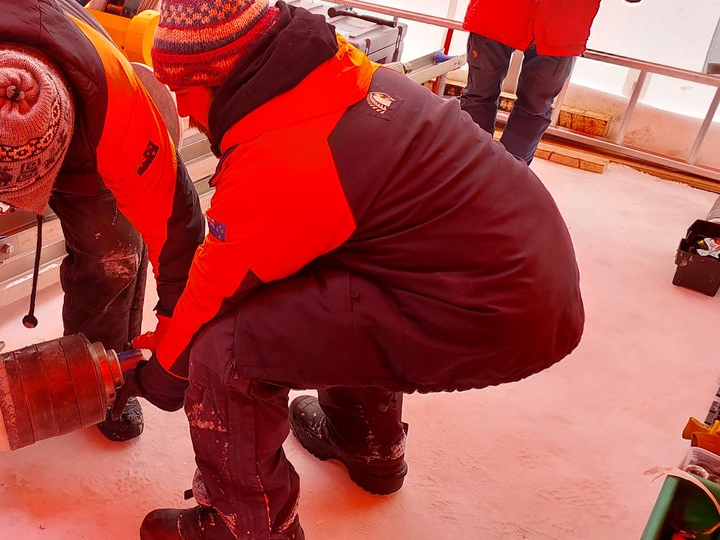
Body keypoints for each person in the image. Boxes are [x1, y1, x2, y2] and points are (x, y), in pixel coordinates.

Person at [111, 1, 586, 538]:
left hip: (490, 310)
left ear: (222, 75)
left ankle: (247, 525)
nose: (181, 108)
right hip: (521, 277)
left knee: (227, 349)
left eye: (183, 88)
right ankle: (366, 442)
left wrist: (165, 371)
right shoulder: (330, 77)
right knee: (323, 272)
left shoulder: (285, 152)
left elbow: (218, 290)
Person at [0, 0, 204, 474]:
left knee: (112, 252)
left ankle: (101, 371)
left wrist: (179, 322)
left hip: (83, 119)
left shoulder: (118, 107)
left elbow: (176, 229)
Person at [458, 0, 602, 163]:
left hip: (561, 24)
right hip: (501, 13)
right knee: (481, 97)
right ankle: (472, 166)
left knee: (531, 108)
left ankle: (504, 173)